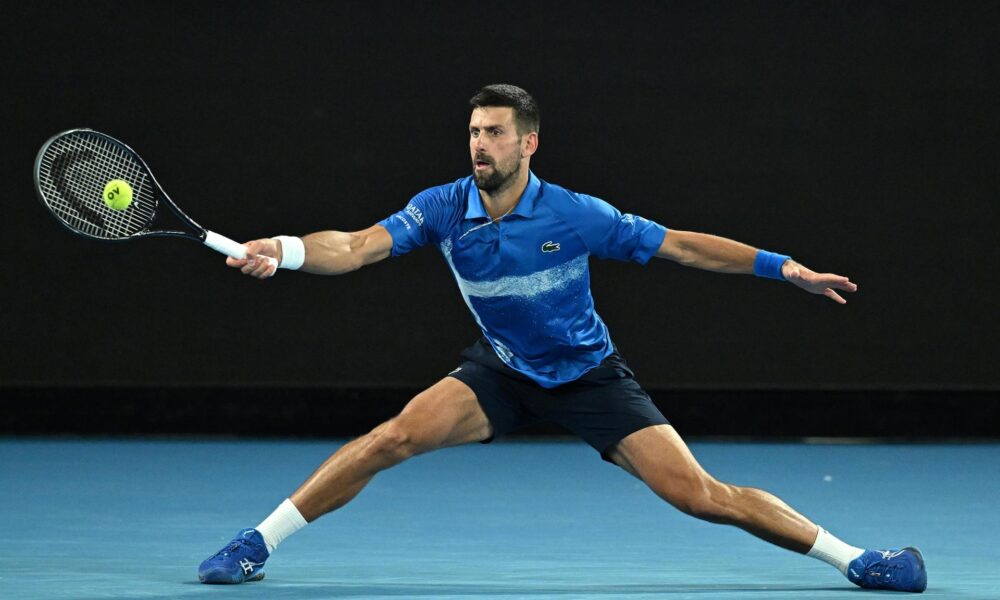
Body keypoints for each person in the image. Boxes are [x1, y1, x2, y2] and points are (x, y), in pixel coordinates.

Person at [197, 84, 926, 593]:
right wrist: (285, 249)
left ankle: (860, 561)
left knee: (701, 495)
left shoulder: (576, 215)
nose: (479, 144)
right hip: (502, 372)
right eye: (474, 131)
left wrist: (782, 268)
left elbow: (680, 246)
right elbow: (355, 247)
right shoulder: (443, 207)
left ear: (529, 142)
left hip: (590, 376)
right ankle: (257, 543)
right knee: (392, 437)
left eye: (495, 133)